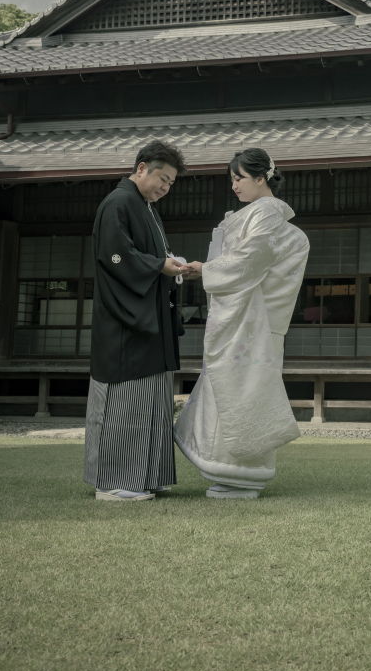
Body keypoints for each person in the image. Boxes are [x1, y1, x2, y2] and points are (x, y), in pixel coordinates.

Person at [173, 148, 310, 499]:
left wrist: (207, 269)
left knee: (238, 391)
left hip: (249, 321)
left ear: (261, 178)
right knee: (242, 391)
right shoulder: (266, 216)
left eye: (239, 178)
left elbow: (252, 260)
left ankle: (238, 473)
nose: (234, 186)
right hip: (257, 322)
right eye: (232, 179)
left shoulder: (264, 214)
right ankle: (239, 473)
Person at [84, 140, 191, 502]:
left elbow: (147, 255)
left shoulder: (144, 206)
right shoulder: (119, 202)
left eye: (171, 183)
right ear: (141, 168)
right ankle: (115, 482)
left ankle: (146, 474)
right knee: (125, 401)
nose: (165, 187)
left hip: (147, 318)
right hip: (125, 322)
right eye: (162, 177)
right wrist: (158, 264)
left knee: (153, 400)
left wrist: (167, 262)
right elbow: (115, 255)